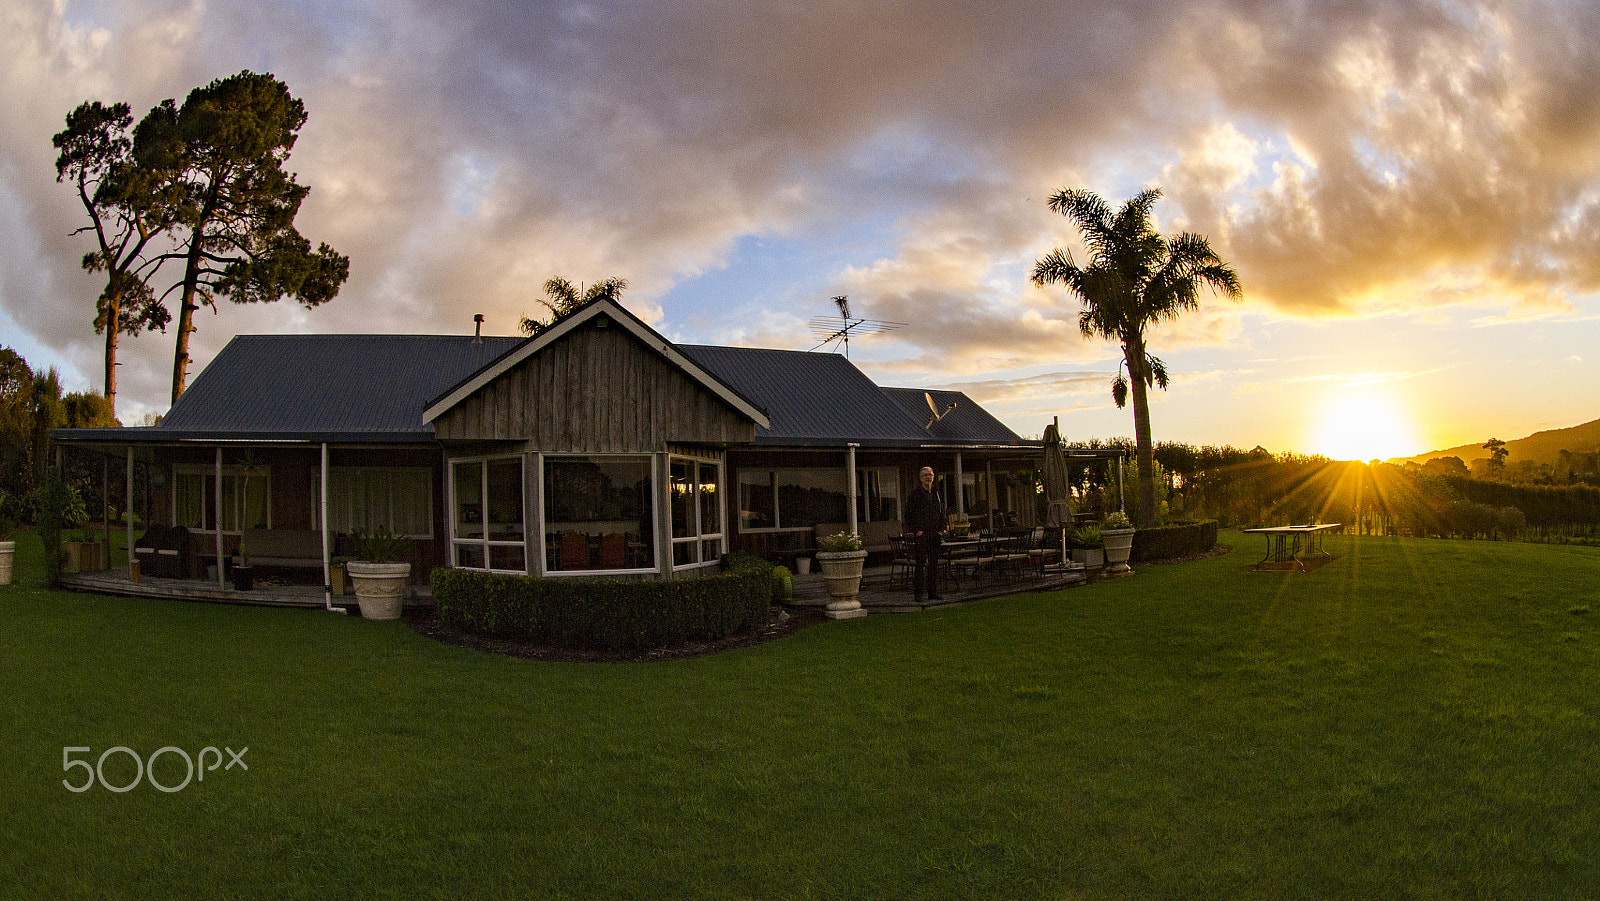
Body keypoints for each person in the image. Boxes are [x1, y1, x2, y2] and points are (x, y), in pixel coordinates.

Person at [905, 466, 947, 601]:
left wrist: (942, 529)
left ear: (933, 477)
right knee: (920, 564)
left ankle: (932, 593)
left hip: (935, 534)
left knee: (933, 565)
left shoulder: (937, 494)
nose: (928, 477)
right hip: (922, 535)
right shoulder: (915, 494)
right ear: (920, 478)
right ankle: (918, 594)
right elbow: (909, 515)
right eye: (925, 475)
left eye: (930, 475)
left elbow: (942, 512)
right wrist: (917, 531)